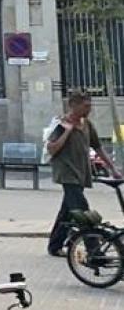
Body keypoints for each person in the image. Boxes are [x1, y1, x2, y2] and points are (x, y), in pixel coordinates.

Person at [47, 90, 118, 257]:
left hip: (81, 172)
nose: (89, 109)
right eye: (85, 106)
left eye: (90, 105)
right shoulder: (61, 123)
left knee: (67, 210)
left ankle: (54, 244)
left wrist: (112, 168)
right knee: (82, 210)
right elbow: (52, 148)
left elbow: (97, 146)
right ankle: (94, 251)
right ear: (73, 105)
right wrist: (67, 131)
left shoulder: (87, 124)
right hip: (67, 172)